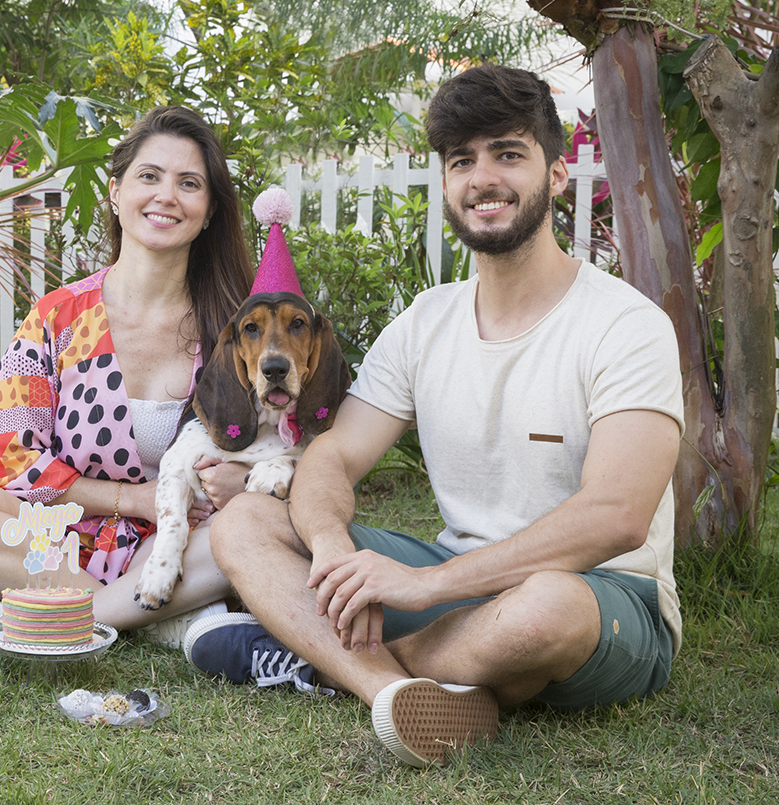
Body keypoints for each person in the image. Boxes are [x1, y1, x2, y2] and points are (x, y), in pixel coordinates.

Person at [183, 64, 685, 768]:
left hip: (601, 594)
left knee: (545, 606)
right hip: (458, 578)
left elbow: (616, 515)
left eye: (508, 154)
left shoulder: (625, 324)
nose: (483, 178)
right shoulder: (427, 321)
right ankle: (397, 693)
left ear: (558, 173)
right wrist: (329, 548)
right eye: (462, 161)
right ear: (447, 184)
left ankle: (326, 660)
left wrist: (426, 585)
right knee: (247, 520)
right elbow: (332, 456)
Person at [0, 106, 255, 651]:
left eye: (190, 184)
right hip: (60, 543)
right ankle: (161, 616)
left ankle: (60, 618)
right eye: (149, 176)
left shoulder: (240, 328)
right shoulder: (56, 317)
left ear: (209, 210)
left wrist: (239, 486)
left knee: (253, 525)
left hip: (183, 543)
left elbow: (286, 447)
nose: (167, 196)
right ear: (116, 193)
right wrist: (134, 499)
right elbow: (12, 461)